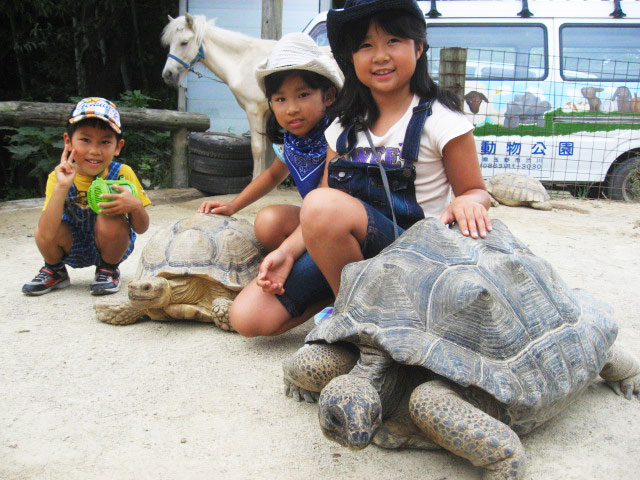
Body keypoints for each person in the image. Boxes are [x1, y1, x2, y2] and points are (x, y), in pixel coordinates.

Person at [229, 0, 492, 338]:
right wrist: (285, 253)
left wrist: (469, 200)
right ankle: (341, 293)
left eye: (393, 41)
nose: (379, 55)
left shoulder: (442, 120)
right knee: (248, 318)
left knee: (324, 206)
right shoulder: (341, 125)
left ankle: (360, 326)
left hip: (416, 257)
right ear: (352, 58)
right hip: (351, 250)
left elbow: (475, 190)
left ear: (419, 47)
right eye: (365, 45)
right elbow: (322, 202)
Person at [197, 32, 343, 252]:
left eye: (302, 95)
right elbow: (273, 175)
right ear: (271, 104)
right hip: (315, 220)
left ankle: (306, 263)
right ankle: (306, 259)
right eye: (281, 99)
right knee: (268, 222)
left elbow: (325, 203)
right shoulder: (293, 140)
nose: (291, 109)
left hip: (342, 223)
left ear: (329, 95)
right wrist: (233, 205)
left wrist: (286, 254)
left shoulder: (338, 135)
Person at [22, 97, 151, 296]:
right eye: (85, 139)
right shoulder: (58, 177)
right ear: (68, 141)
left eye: (105, 142)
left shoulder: (123, 173)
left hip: (111, 244)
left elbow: (141, 228)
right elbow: (46, 232)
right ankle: (54, 270)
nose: (94, 151)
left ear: (118, 146)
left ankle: (108, 269)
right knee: (43, 225)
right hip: (70, 243)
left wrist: (135, 206)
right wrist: (62, 187)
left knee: (109, 214)